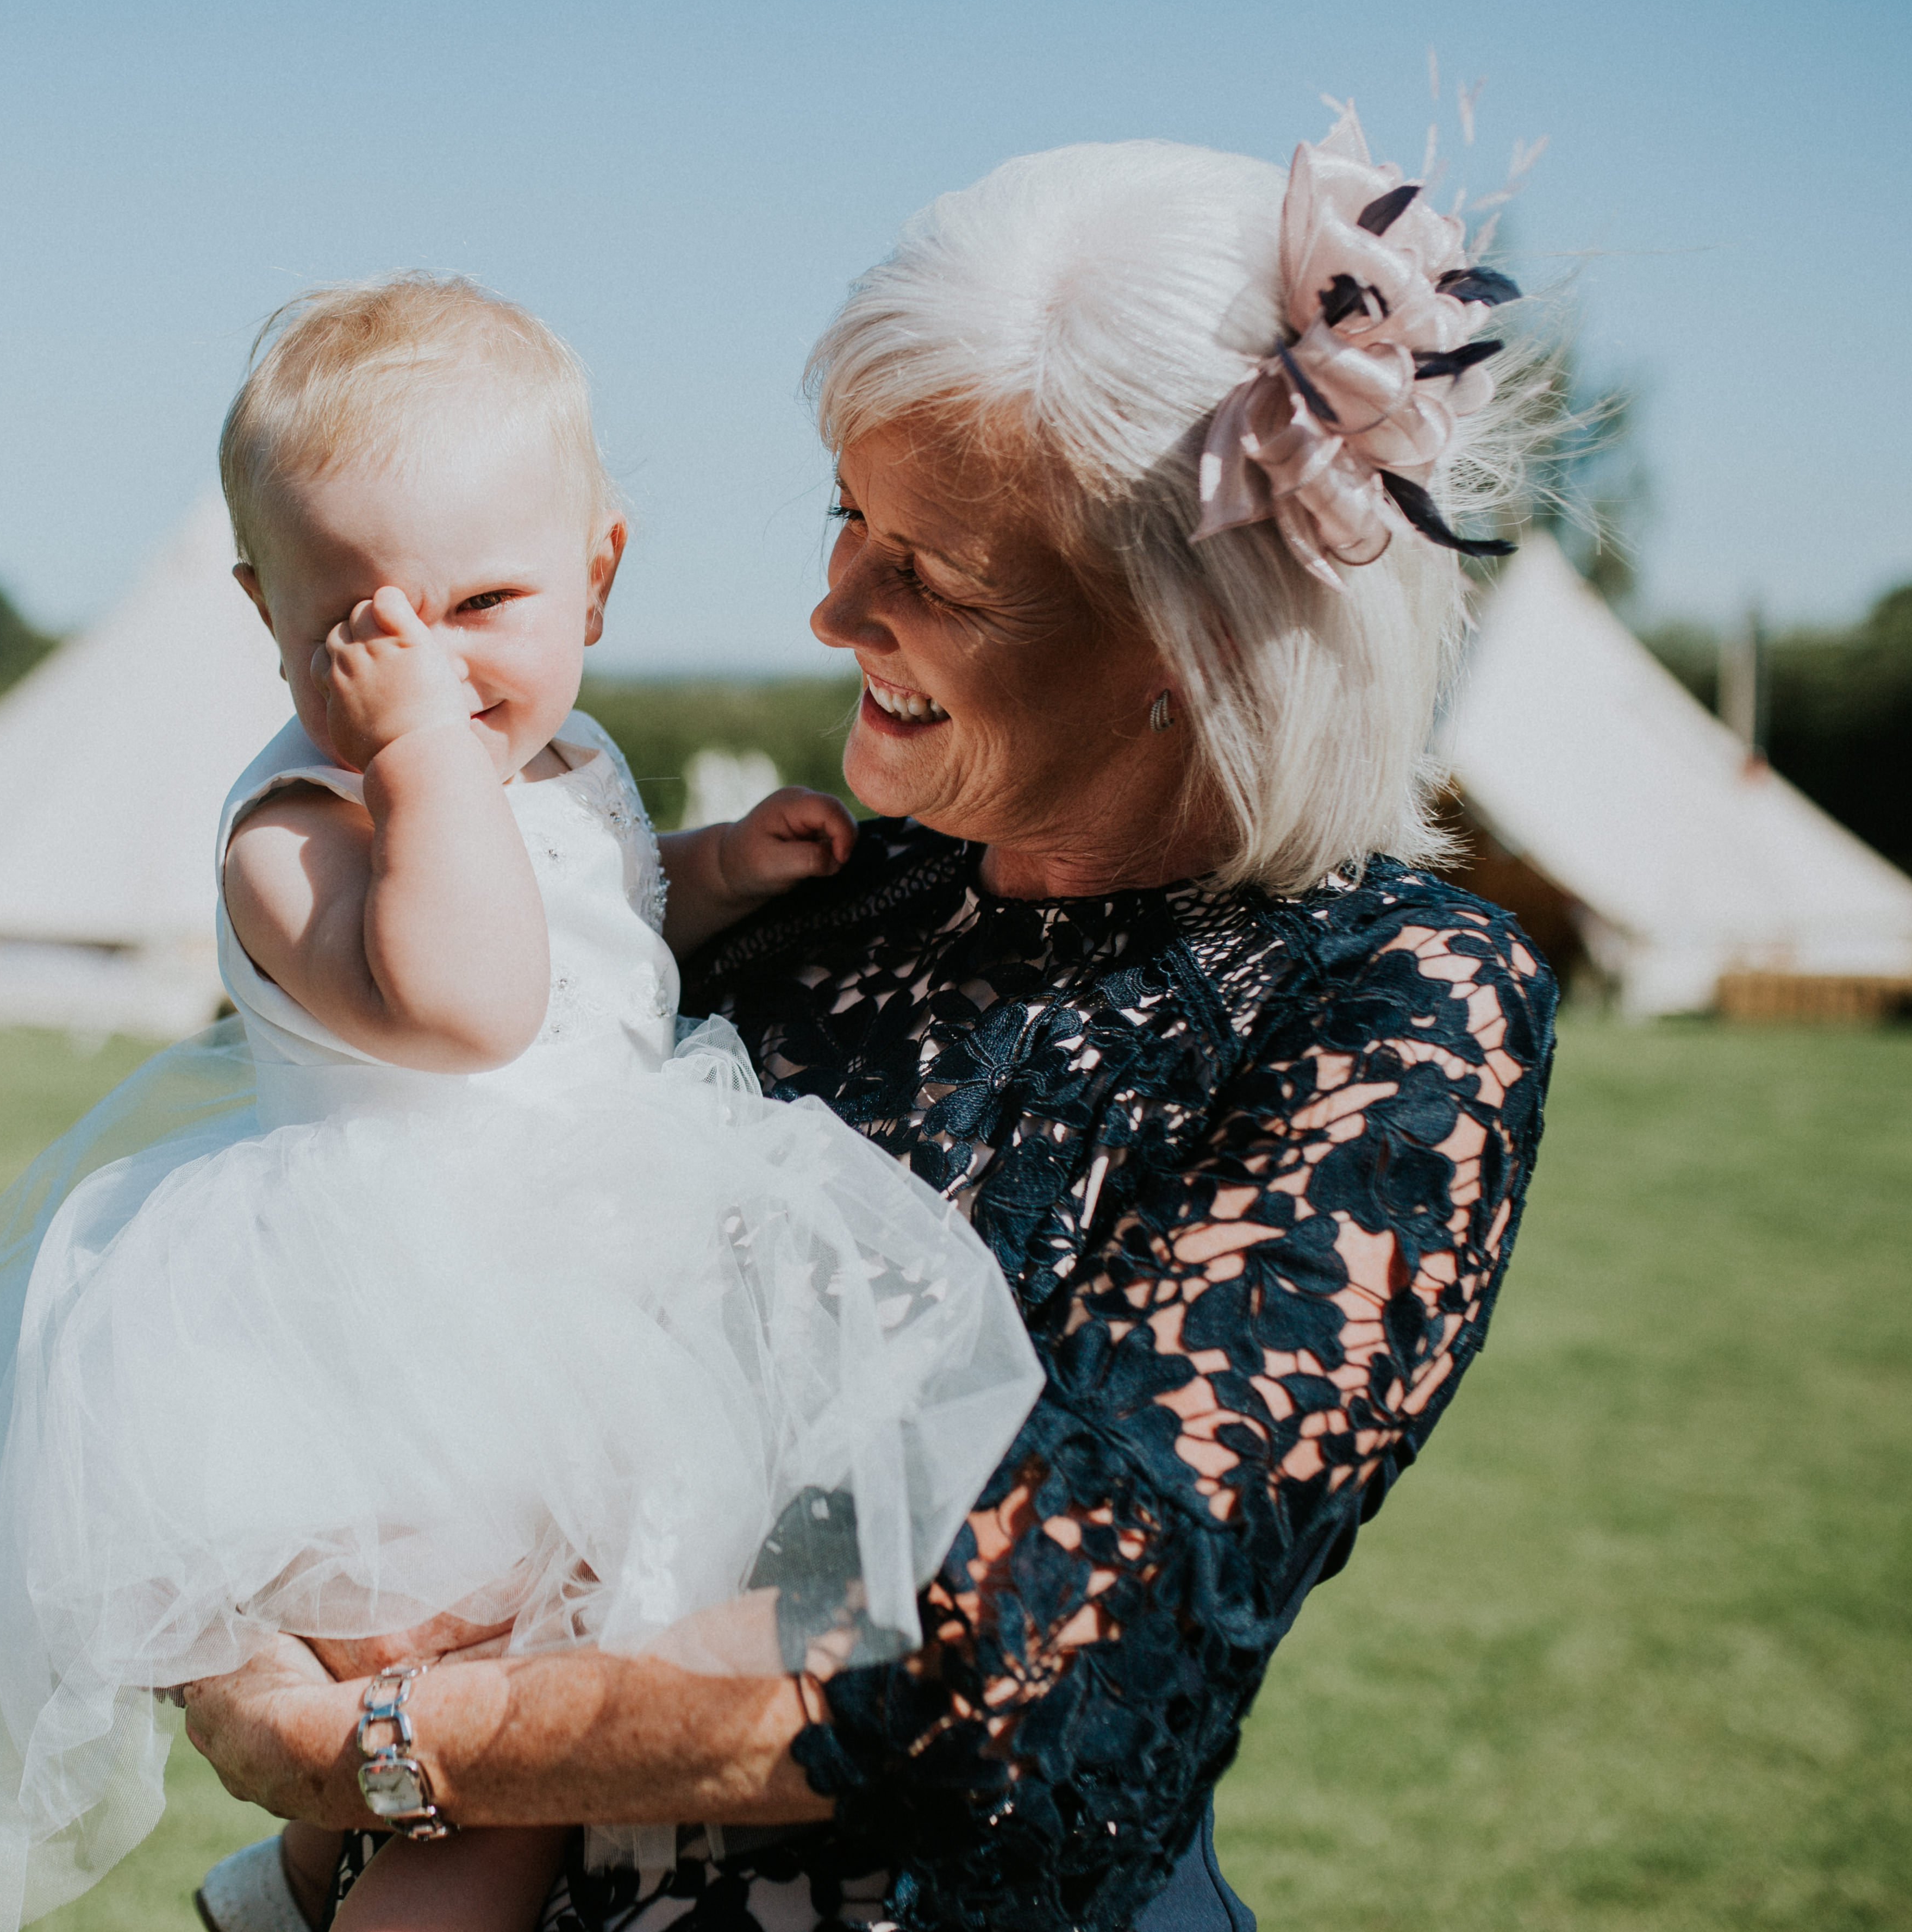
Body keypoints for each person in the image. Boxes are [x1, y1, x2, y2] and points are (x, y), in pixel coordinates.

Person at [170, 118, 1560, 1932]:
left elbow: (1017, 1674)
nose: (832, 609)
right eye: (846, 518)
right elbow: (392, 1222)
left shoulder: (1384, 1001)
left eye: (938, 575)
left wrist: (387, 1743)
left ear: (1187, 643)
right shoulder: (817, 898)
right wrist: (248, 1587)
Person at [0, 277, 1046, 1932]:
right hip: (398, 1358)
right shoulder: (296, 822)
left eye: (486, 600)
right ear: (265, 613)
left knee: (597, 1689)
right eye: (361, 615)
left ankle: (284, 1891)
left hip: (581, 1294)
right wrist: (414, 752)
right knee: (474, 1767)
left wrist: (710, 872)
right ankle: (321, 1886)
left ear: (599, 579)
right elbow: (473, 999)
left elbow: (592, 936)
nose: (426, 656)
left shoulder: (565, 765)